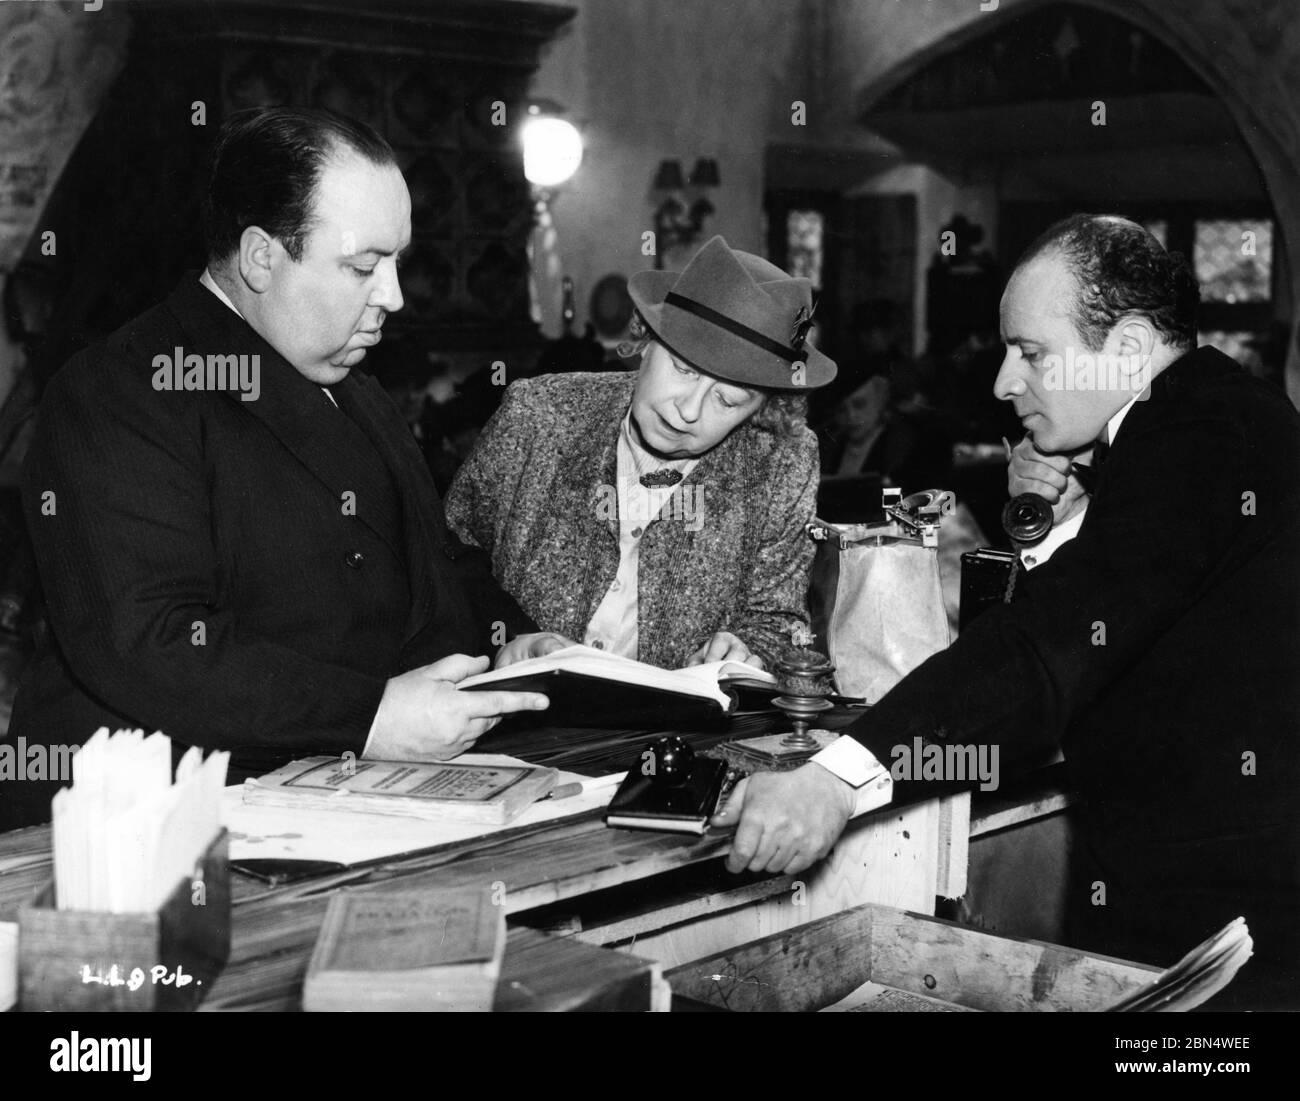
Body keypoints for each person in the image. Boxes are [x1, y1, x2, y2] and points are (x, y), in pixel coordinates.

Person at [713, 214, 1300, 1009]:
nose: (1002, 382)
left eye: (1031, 352)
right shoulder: (1197, 420)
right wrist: (1054, 518)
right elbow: (1098, 624)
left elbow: (1042, 650)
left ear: (1128, 349)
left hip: (1235, 915)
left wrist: (837, 779)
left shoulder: (1199, 432)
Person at [2, 107, 560, 830]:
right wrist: (370, 716)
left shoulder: (354, 388)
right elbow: (149, 641)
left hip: (336, 795)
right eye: (362, 266)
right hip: (153, 823)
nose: (393, 296)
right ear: (261, 258)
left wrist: (512, 641)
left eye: (397, 262)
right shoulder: (121, 388)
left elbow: (428, 560)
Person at [444, 236, 837, 671]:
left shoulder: (782, 462)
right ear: (647, 340)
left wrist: (746, 651)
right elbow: (444, 561)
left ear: (763, 408)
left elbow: (779, 622)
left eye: (728, 400)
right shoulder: (538, 416)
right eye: (683, 369)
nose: (688, 410)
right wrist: (507, 638)